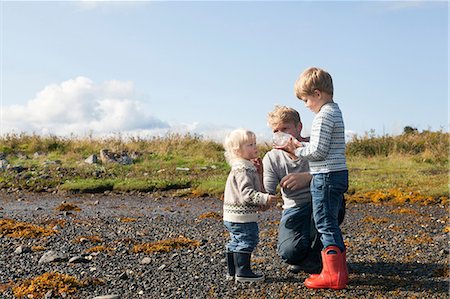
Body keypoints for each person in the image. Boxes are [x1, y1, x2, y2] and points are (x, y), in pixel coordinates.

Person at [282, 67, 348, 289]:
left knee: (325, 223)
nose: (307, 105)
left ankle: (334, 275)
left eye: (306, 100)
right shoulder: (335, 111)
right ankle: (334, 270)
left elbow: (318, 152)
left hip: (325, 176)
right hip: (336, 173)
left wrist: (296, 149)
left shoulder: (323, 116)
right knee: (328, 223)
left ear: (317, 94)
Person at [263, 105, 323, 275]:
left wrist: (309, 177)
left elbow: (335, 174)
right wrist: (255, 175)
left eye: (285, 128)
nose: (281, 133)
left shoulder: (315, 146)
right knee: (289, 253)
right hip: (293, 208)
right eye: (276, 130)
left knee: (330, 205)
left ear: (299, 127)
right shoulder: (272, 157)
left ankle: (320, 254)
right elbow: (268, 192)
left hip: (320, 201)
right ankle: (310, 255)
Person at [223, 128, 277, 283]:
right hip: (242, 215)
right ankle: (243, 273)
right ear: (237, 150)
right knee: (247, 240)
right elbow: (246, 194)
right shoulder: (243, 168)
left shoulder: (243, 165)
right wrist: (265, 198)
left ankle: (232, 271)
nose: (255, 147)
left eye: (254, 143)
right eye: (250, 145)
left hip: (232, 214)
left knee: (236, 240)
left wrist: (259, 173)